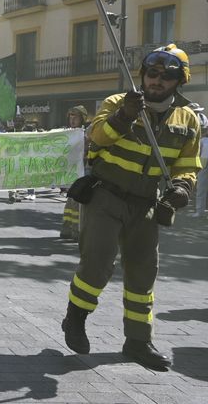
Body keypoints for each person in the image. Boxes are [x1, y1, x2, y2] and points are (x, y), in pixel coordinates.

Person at [62, 44, 202, 371]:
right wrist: (125, 115)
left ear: (178, 81)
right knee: (98, 261)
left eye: (166, 76)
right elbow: (96, 136)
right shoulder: (117, 103)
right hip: (106, 196)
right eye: (152, 73)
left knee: (143, 272)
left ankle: (138, 341)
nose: (156, 81)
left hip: (147, 203)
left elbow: (189, 164)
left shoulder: (189, 119)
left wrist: (182, 187)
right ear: (143, 74)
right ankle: (76, 318)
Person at [60, 105, 89, 241]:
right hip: (70, 173)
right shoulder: (65, 134)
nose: (72, 119)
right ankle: (67, 229)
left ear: (82, 118)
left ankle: (76, 231)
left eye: (75, 116)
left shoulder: (87, 133)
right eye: (70, 116)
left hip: (82, 173)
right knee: (70, 202)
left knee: (78, 203)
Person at [191, 103, 208, 218]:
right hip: (200, 151)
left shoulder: (203, 118)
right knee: (201, 184)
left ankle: (202, 210)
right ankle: (199, 210)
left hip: (204, 145)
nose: (197, 112)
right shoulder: (189, 118)